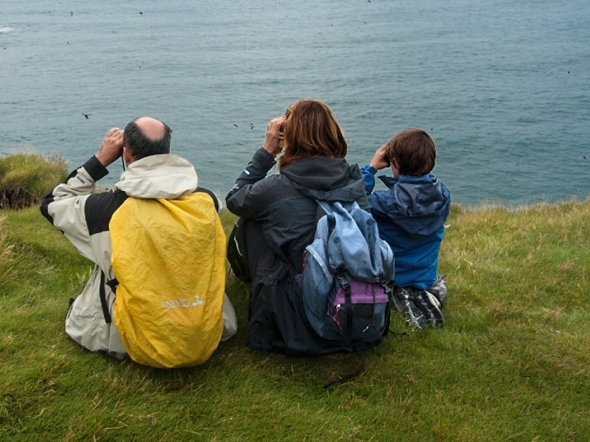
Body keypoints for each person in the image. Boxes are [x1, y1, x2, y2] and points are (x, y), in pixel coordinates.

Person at [40, 116, 237, 367]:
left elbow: (51, 205)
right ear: (166, 152)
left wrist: (100, 160)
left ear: (126, 154)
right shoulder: (207, 202)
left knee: (109, 259)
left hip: (129, 334)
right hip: (201, 322)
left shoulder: (102, 211)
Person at [226, 99, 370, 355]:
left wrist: (267, 152)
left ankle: (243, 279)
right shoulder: (353, 180)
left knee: (250, 220)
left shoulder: (275, 188)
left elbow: (235, 199)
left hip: (294, 317)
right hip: (348, 300)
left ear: (289, 138)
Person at [361, 128, 451, 329]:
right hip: (426, 276)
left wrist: (372, 167)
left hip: (394, 277)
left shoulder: (384, 202)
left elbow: (355, 198)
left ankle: (401, 295)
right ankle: (424, 293)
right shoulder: (443, 195)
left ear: (396, 163)